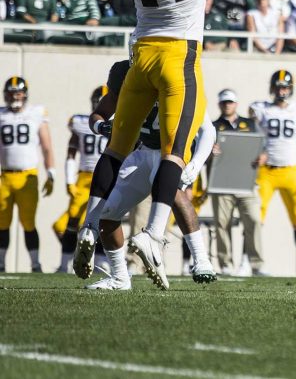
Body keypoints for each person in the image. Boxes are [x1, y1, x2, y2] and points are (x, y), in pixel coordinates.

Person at [77, 0, 278, 286]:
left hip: (139, 54)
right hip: (178, 58)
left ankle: (90, 225)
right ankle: (152, 233)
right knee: (173, 154)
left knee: (115, 149)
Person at [78, 60, 217, 290]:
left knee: (175, 194)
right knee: (108, 213)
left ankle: (201, 260)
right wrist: (102, 127)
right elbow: (99, 113)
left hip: (170, 152)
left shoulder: (176, 72)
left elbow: (207, 129)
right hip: (142, 152)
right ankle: (121, 278)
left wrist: (196, 164)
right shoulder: (125, 72)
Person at [250, 70, 296, 277]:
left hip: (290, 170)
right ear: (272, 88)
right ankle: (249, 261)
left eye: (285, 87)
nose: (282, 90)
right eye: (279, 87)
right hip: (266, 172)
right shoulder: (260, 109)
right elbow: (252, 136)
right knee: (254, 217)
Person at [0, 77, 55, 273]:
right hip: (5, 177)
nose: (15, 97)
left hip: (28, 176)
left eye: (18, 93)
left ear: (25, 95)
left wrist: (51, 172)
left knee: (28, 222)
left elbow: (47, 147)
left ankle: (35, 264)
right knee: (2, 223)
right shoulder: (1, 114)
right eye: (12, 93)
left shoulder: (36, 113)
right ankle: (0, 263)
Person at [209, 89, 264, 276]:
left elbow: (262, 148)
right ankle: (226, 264)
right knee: (222, 224)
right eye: (224, 102)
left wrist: (262, 157)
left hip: (246, 183)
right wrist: (210, 152)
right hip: (221, 184)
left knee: (254, 220)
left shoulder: (250, 124)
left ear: (236, 104)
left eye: (230, 102)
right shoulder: (212, 126)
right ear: (219, 104)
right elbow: (200, 152)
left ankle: (256, 264)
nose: (227, 105)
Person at [54, 86, 108, 274]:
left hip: (107, 175)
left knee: (103, 220)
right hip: (84, 176)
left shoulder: (118, 121)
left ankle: (102, 263)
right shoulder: (81, 122)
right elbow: (71, 154)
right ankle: (64, 263)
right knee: (73, 219)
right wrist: (69, 180)